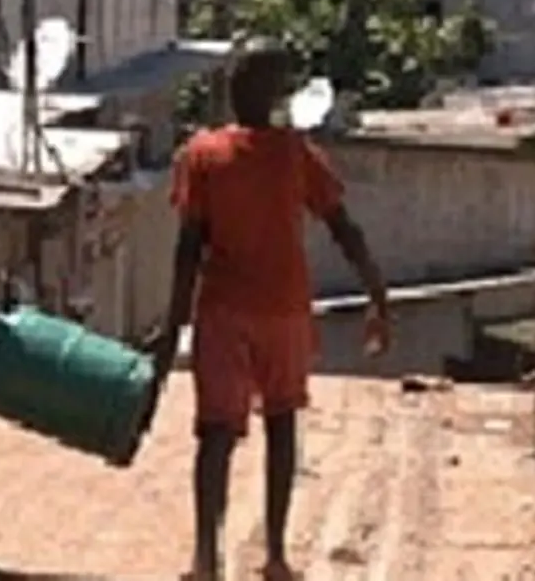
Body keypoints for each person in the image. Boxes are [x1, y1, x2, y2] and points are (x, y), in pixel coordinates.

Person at [151, 39, 391, 581]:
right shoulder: (295, 154)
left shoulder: (203, 154)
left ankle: (205, 557)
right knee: (281, 424)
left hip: (224, 313)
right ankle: (276, 556)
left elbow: (189, 247)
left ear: (232, 91)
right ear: (277, 95)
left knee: (215, 436)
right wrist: (377, 291)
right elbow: (342, 226)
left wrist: (173, 325)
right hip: (283, 310)